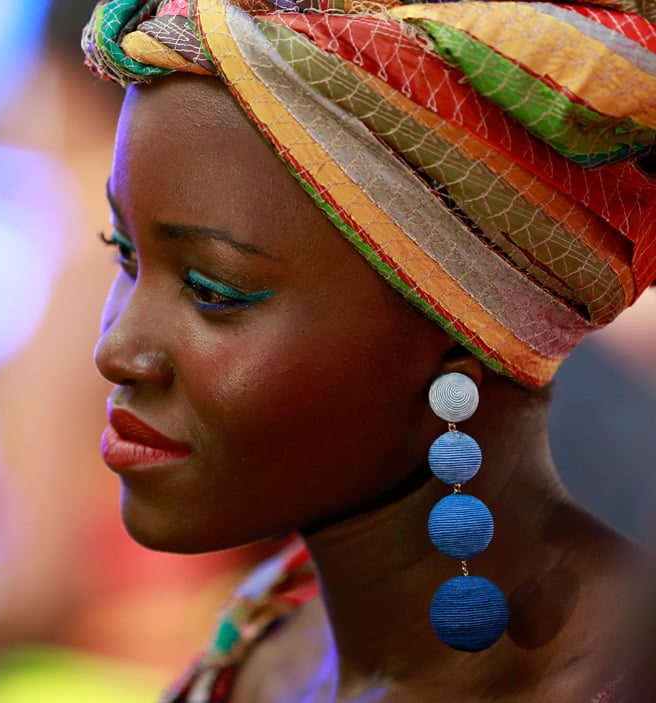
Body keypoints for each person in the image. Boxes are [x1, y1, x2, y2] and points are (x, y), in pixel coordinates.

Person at [80, 0, 656, 700]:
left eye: (214, 291)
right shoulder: (262, 636)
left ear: (455, 341)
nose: (118, 350)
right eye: (126, 255)